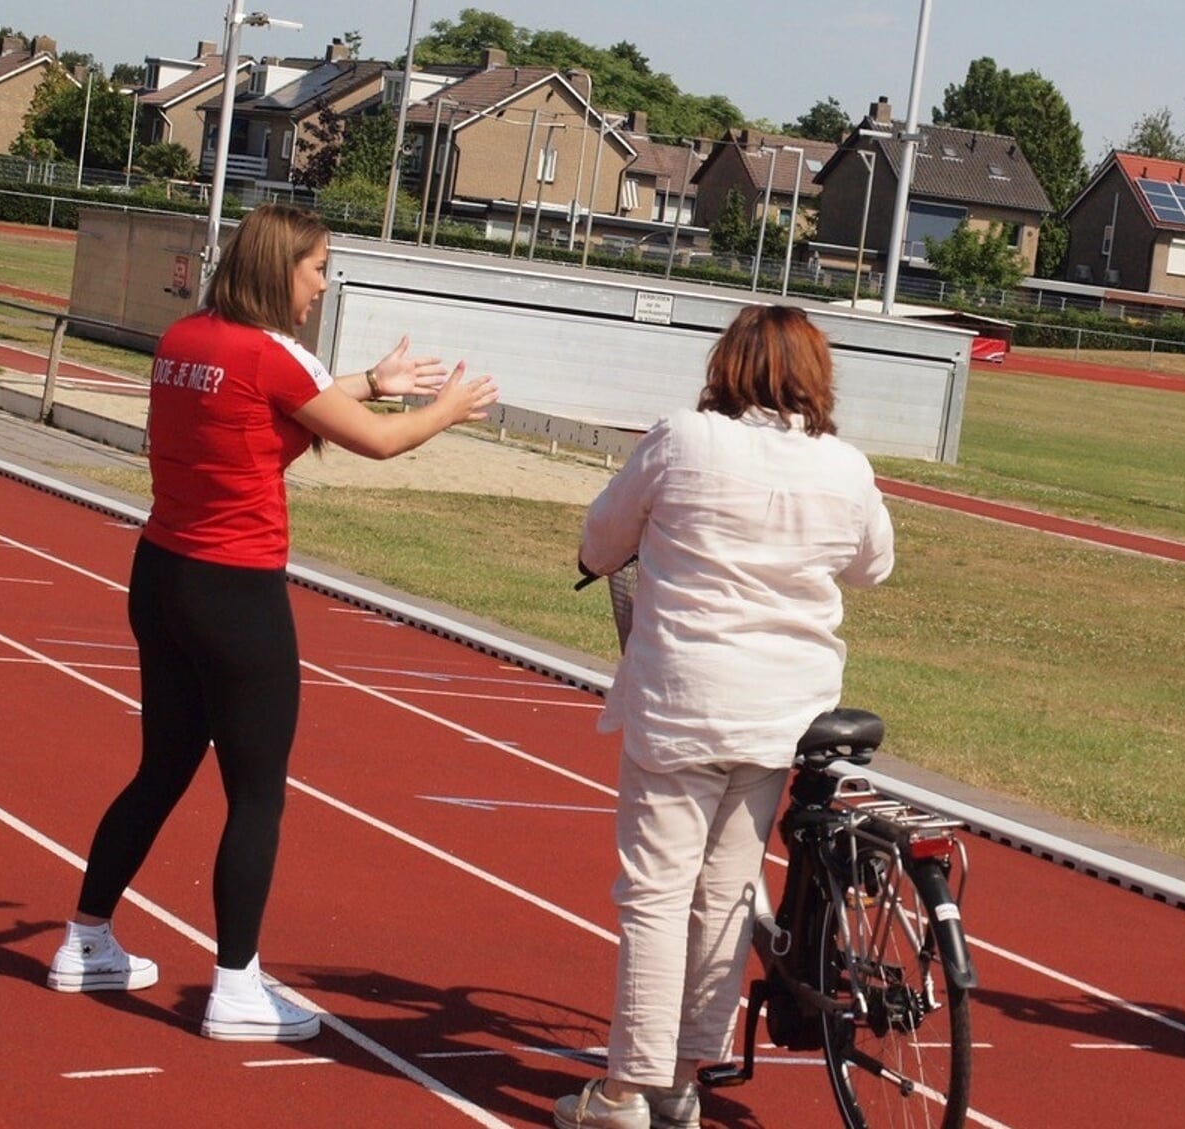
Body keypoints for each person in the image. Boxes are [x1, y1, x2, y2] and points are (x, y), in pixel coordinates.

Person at [47, 204, 498, 1042]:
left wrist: (368, 378)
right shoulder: (271, 353)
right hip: (236, 593)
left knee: (162, 766)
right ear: (280, 266)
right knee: (256, 792)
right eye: (318, 267)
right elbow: (372, 443)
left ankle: (85, 938)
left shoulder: (185, 338)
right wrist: (448, 405)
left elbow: (276, 405)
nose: (324, 284)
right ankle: (236, 985)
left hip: (161, 575)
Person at [558, 305, 894, 1129]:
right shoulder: (843, 465)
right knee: (727, 889)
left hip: (683, 699)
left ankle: (626, 1089)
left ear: (728, 365)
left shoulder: (682, 438)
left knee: (657, 891)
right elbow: (874, 564)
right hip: (782, 712)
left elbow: (601, 540)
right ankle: (678, 1076)